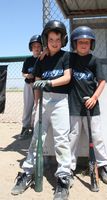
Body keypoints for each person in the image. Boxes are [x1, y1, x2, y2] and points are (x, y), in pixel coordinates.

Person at [11, 20, 72, 200]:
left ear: (63, 40)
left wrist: (50, 82)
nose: (54, 42)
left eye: (58, 39)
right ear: (46, 39)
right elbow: (37, 82)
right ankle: (27, 172)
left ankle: (63, 178)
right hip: (44, 101)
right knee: (37, 137)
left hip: (60, 101)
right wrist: (37, 102)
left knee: (62, 139)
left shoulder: (65, 56)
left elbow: (67, 77)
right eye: (51, 39)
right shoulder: (41, 59)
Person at [68, 26, 107, 186]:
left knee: (96, 137)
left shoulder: (94, 61)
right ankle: (69, 169)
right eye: (80, 42)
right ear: (75, 43)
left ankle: (103, 165)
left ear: (91, 44)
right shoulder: (70, 59)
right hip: (73, 105)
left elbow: (102, 81)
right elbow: (56, 54)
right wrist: (45, 51)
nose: (83, 45)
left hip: (92, 106)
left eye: (87, 42)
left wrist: (94, 97)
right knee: (72, 138)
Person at [18, 35, 43, 140]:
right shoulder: (28, 60)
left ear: (42, 47)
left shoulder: (43, 59)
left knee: (37, 107)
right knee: (28, 106)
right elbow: (23, 73)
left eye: (38, 46)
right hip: (29, 85)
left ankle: (34, 127)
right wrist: (27, 75)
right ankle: (25, 127)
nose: (36, 48)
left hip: (39, 86)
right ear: (31, 48)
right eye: (34, 46)